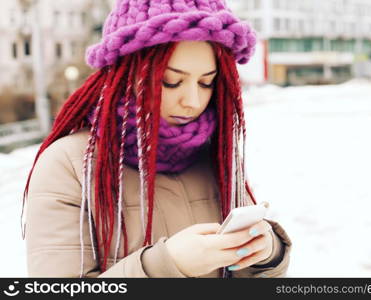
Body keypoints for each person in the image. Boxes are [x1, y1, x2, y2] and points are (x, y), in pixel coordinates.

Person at [22, 0, 292, 278]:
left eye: (206, 82)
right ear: (127, 74)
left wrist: (268, 254)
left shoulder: (214, 151)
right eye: (171, 81)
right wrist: (166, 265)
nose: (192, 101)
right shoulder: (68, 164)